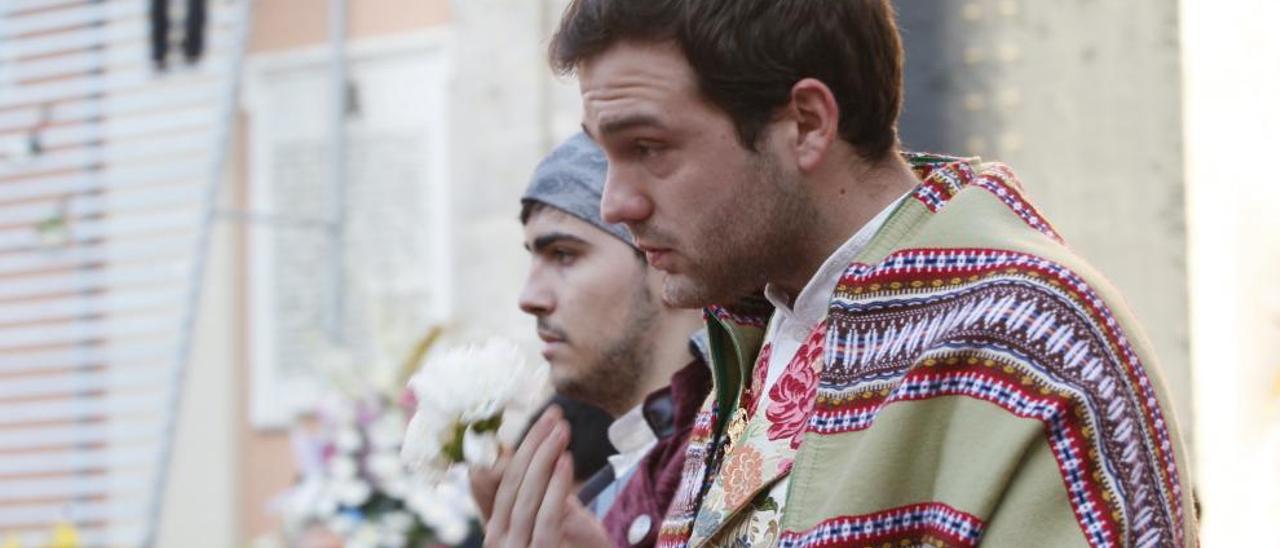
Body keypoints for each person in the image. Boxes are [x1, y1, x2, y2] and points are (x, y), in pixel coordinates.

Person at [532, 1, 1200, 546]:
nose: (616, 204)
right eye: (608, 156)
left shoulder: (1030, 345)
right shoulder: (763, 331)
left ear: (806, 124)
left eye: (648, 148)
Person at [471, 134, 711, 547]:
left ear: (662, 260)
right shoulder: (603, 491)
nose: (529, 298)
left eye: (565, 254)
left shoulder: (742, 455)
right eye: (533, 257)